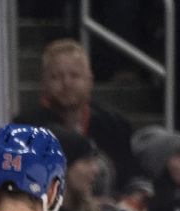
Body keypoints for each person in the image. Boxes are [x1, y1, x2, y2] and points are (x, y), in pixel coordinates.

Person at [14, 39, 142, 191]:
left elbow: (133, 180)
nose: (67, 83)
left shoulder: (116, 125)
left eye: (74, 76)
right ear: (44, 83)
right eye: (56, 77)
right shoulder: (25, 127)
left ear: (90, 81)